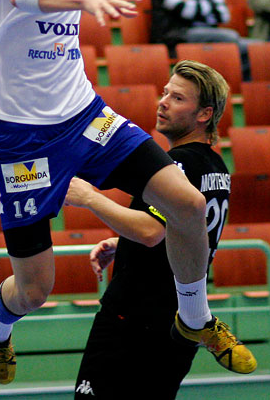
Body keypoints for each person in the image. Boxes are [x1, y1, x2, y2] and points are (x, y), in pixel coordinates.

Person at [0, 0, 256, 385]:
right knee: (35, 289)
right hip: (22, 137)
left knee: (188, 205)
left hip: (82, 115)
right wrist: (84, 2)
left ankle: (195, 317)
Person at [69, 60, 232, 399]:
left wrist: (88, 197)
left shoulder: (179, 164)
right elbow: (178, 231)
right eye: (165, 93)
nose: (163, 102)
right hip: (174, 324)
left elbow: (149, 231)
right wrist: (122, 243)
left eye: (177, 98)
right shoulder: (216, 165)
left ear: (204, 114)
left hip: (135, 321)